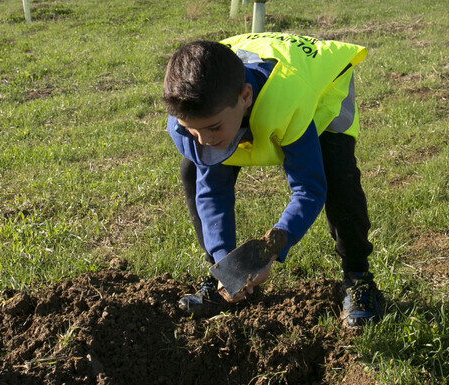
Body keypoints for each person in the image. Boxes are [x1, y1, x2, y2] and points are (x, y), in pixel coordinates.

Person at [161, 32, 380, 328]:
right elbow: (212, 193)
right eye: (192, 130)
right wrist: (230, 266)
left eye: (212, 128)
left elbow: (309, 189)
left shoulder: (289, 101)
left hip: (321, 88)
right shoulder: (197, 113)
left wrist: (271, 249)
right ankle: (219, 276)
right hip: (250, 84)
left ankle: (359, 278)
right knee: (191, 170)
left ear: (245, 97)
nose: (205, 140)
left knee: (336, 172)